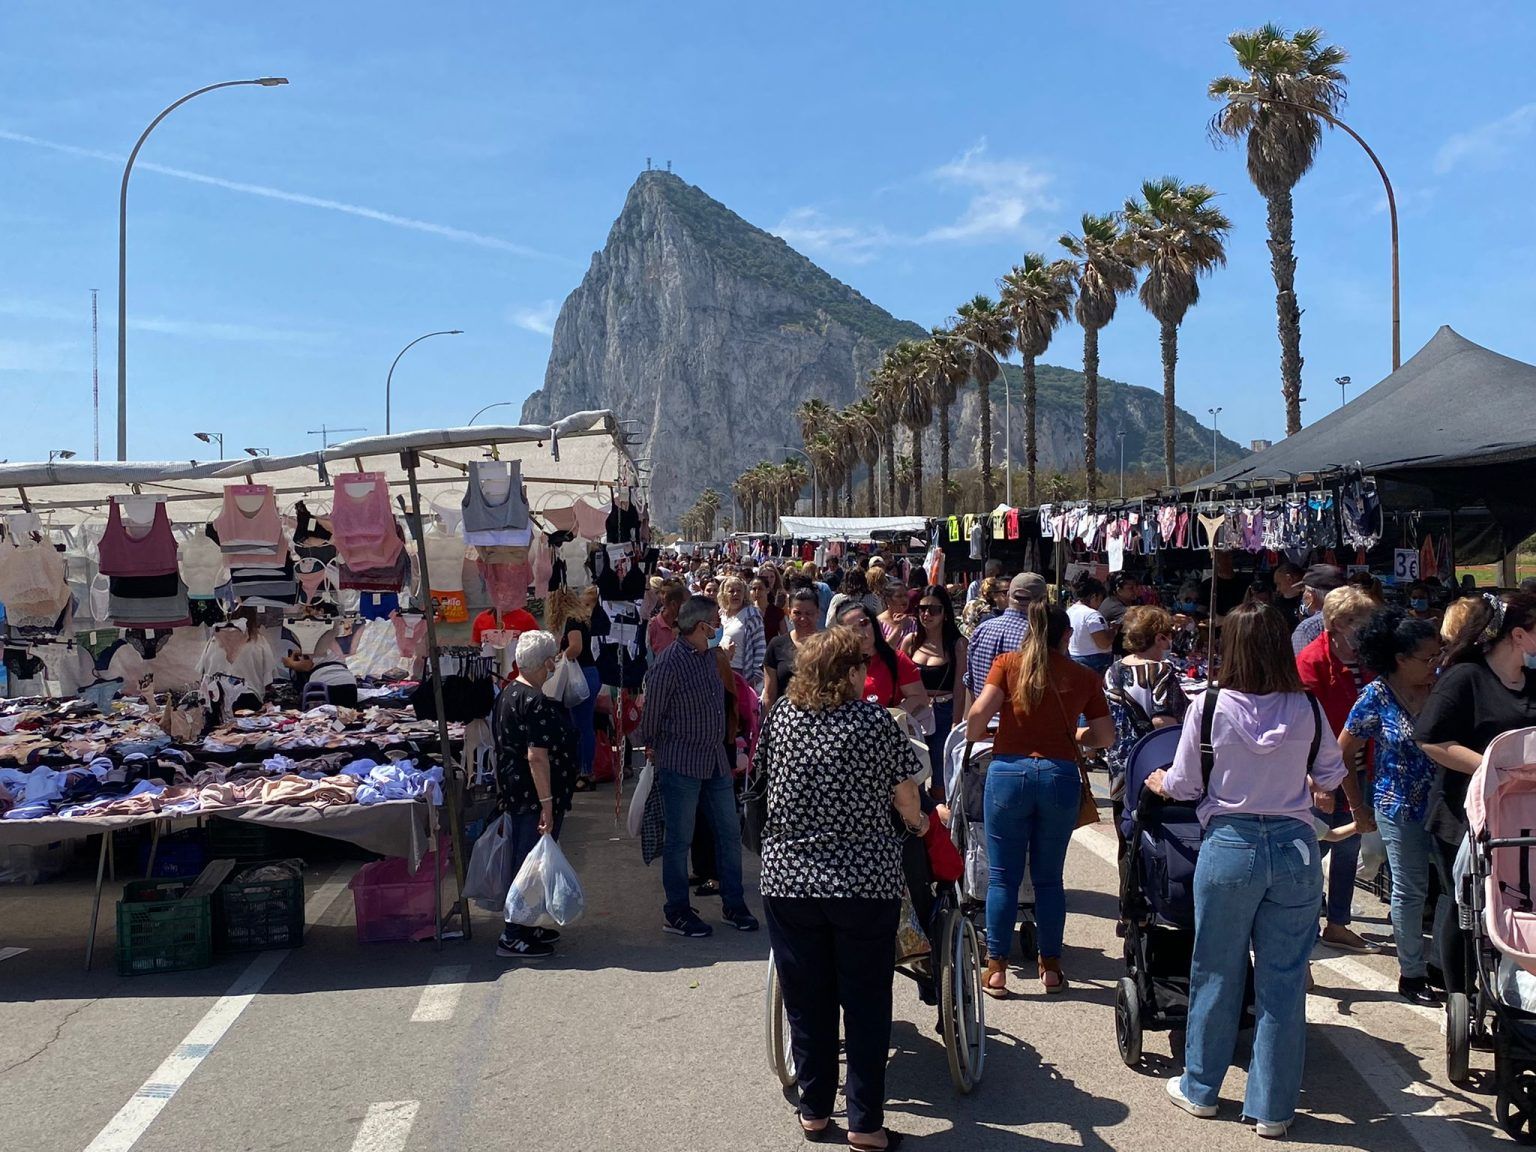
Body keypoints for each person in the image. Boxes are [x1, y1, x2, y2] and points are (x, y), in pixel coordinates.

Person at [1148, 602, 1354, 1139]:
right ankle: (1273, 1109)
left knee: (1216, 969)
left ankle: (1201, 1087)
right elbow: (1330, 775)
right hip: (1294, 847)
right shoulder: (1307, 706)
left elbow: (1186, 784)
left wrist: (1159, 782)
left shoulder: (1210, 704)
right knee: (1283, 979)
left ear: (1230, 646)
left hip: (1231, 845)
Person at [756, 627, 926, 1148]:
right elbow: (905, 795)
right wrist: (918, 823)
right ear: (850, 672)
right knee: (866, 1001)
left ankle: (814, 1111)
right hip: (862, 881)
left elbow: (761, 779)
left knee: (807, 999)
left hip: (788, 877)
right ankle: (865, 1125)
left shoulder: (781, 717)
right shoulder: (873, 722)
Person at [967, 596, 1112, 996]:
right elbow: (1105, 736)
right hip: (1058, 776)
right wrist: (1077, 735)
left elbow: (976, 719)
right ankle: (1051, 967)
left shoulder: (1007, 665)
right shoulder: (1084, 677)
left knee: (1003, 876)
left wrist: (983, 733)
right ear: (1067, 635)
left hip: (1008, 774)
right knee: (1049, 879)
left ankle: (997, 968)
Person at [1417, 591, 1536, 997]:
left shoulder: (1532, 682)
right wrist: (1492, 768)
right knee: (1465, 903)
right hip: (1464, 815)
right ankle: (1460, 995)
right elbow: (1431, 740)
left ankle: (1513, 987)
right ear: (1518, 635)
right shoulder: (1465, 678)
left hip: (1522, 814)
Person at [636, 594, 758, 938]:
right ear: (702, 626)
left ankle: (734, 904)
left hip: (715, 762)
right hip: (681, 765)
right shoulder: (669, 664)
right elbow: (652, 717)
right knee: (679, 840)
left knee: (729, 834)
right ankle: (676, 911)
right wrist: (655, 749)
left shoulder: (709, 657)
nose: (719, 626)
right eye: (715, 621)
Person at [1340, 607, 1442, 1005]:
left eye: (1438, 655)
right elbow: (1342, 752)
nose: (1435, 664)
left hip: (1447, 806)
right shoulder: (1376, 696)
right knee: (1411, 890)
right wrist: (1357, 806)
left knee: (1455, 888)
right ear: (1400, 659)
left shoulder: (1443, 688)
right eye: (1428, 658)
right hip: (1399, 807)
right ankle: (1412, 973)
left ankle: (1444, 964)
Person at [1296, 585, 1380, 953]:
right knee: (1312, 849)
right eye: (1359, 621)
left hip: (1360, 768)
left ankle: (1338, 923)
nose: (1366, 628)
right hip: (1324, 772)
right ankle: (1304, 925)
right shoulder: (1311, 661)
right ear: (1337, 623)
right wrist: (1319, 781)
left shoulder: (1367, 659)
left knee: (1349, 845)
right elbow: (1305, 726)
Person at [491, 630, 578, 961]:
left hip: (519, 791)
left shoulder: (509, 693)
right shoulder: (534, 701)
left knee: (532, 862)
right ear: (544, 663)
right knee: (529, 863)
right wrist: (547, 804)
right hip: (532, 795)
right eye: (552, 660)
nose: (554, 666)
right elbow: (537, 757)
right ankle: (513, 933)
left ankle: (526, 925)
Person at [1104, 606, 1189, 832]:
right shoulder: (1160, 671)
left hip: (1120, 764)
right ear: (1159, 638)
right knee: (1153, 833)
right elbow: (1162, 722)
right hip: (1152, 764)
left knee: (1125, 829)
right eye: (1169, 634)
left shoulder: (1113, 670)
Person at [901, 585, 969, 788]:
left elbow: (959, 688)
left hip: (944, 711)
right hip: (914, 712)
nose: (926, 614)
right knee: (914, 776)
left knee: (940, 776)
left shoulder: (958, 645)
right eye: (922, 609)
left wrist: (956, 721)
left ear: (945, 613)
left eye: (934, 610)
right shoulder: (911, 641)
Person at [834, 602, 926, 715]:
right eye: (852, 630)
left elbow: (919, 698)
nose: (862, 634)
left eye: (864, 624)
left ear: (874, 623)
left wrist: (890, 716)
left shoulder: (896, 659)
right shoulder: (836, 666)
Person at [558, 586, 607, 794]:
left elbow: (575, 648)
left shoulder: (572, 620)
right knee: (583, 724)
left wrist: (559, 658)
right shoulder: (580, 619)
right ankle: (585, 771)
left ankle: (585, 772)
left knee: (581, 726)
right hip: (589, 673)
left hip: (582, 675)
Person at [965, 572, 1046, 696]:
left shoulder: (981, 630)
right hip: (1019, 708)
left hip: (982, 706)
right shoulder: (1039, 635)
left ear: (1008, 596)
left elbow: (970, 683)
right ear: (1043, 600)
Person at [196, 610, 279, 705]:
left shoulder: (213, 641)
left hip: (216, 701)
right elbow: (268, 681)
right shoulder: (259, 642)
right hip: (249, 701)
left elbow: (202, 674)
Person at [764, 588, 821, 710]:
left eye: (809, 613)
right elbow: (769, 694)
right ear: (789, 613)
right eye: (797, 613)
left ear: (818, 613)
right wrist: (765, 719)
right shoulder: (776, 645)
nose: (803, 618)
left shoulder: (829, 645)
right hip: (784, 717)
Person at [718, 576, 767, 695]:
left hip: (742, 673)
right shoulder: (720, 614)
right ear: (724, 594)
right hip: (719, 671)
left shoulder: (751, 614)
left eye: (739, 591)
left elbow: (760, 648)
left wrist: (756, 677)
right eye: (731, 591)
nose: (735, 594)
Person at [1290, 564, 1344, 655]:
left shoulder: (1307, 629)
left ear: (1311, 595)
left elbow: (1301, 662)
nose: (1303, 595)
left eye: (1304, 591)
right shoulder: (1360, 618)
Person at [1066, 577, 1113, 672]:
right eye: (1101, 598)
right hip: (1095, 662)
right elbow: (1103, 644)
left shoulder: (1069, 611)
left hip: (1074, 657)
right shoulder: (1092, 615)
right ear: (1094, 596)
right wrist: (1113, 630)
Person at [282, 652, 359, 708]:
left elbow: (307, 666)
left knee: (321, 718)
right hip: (348, 682)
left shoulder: (312, 641)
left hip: (325, 683)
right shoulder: (334, 639)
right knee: (346, 717)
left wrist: (290, 663)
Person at [1198, 552, 1251, 624]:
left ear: (1232, 559)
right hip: (1216, 628)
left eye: (1227, 557)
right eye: (1220, 558)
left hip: (1239, 626)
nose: (1224, 561)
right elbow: (1201, 610)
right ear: (1215, 561)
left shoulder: (1244, 584)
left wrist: (1223, 620)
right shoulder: (1207, 585)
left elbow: (1249, 612)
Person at [1100, 572, 1140, 656]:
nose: (1135, 591)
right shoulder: (1114, 606)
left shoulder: (1129, 601)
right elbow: (1143, 617)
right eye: (1131, 588)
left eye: (1136, 587)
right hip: (1116, 655)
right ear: (1119, 590)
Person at [646, 581, 687, 659]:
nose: (690, 607)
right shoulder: (652, 627)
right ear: (673, 604)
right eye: (686, 603)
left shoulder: (690, 625)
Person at [471, 605, 539, 645]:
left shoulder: (526, 619)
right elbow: (475, 645)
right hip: (488, 665)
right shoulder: (481, 619)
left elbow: (537, 647)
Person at [876, 580, 914, 646]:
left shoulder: (914, 622)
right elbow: (883, 649)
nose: (904, 599)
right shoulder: (878, 623)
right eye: (899, 596)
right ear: (888, 600)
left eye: (906, 595)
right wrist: (899, 627)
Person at [749, 575, 785, 643]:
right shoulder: (748, 611)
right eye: (754, 589)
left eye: (760, 589)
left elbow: (784, 636)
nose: (757, 591)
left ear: (768, 590)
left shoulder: (777, 612)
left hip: (772, 648)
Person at [1272, 561, 1305, 630]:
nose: (1277, 589)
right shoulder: (1277, 603)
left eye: (1279, 584)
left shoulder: (1309, 601)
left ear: (1289, 579)